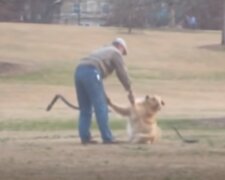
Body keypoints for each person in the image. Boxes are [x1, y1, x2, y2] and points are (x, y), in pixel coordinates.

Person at [74, 38, 134, 144]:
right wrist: (129, 90)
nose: (122, 55)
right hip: (91, 72)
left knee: (85, 108)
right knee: (101, 107)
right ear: (120, 46)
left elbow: (97, 80)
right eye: (123, 52)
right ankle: (107, 137)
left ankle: (85, 137)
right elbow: (122, 72)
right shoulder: (115, 52)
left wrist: (103, 94)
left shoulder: (103, 50)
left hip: (79, 71)